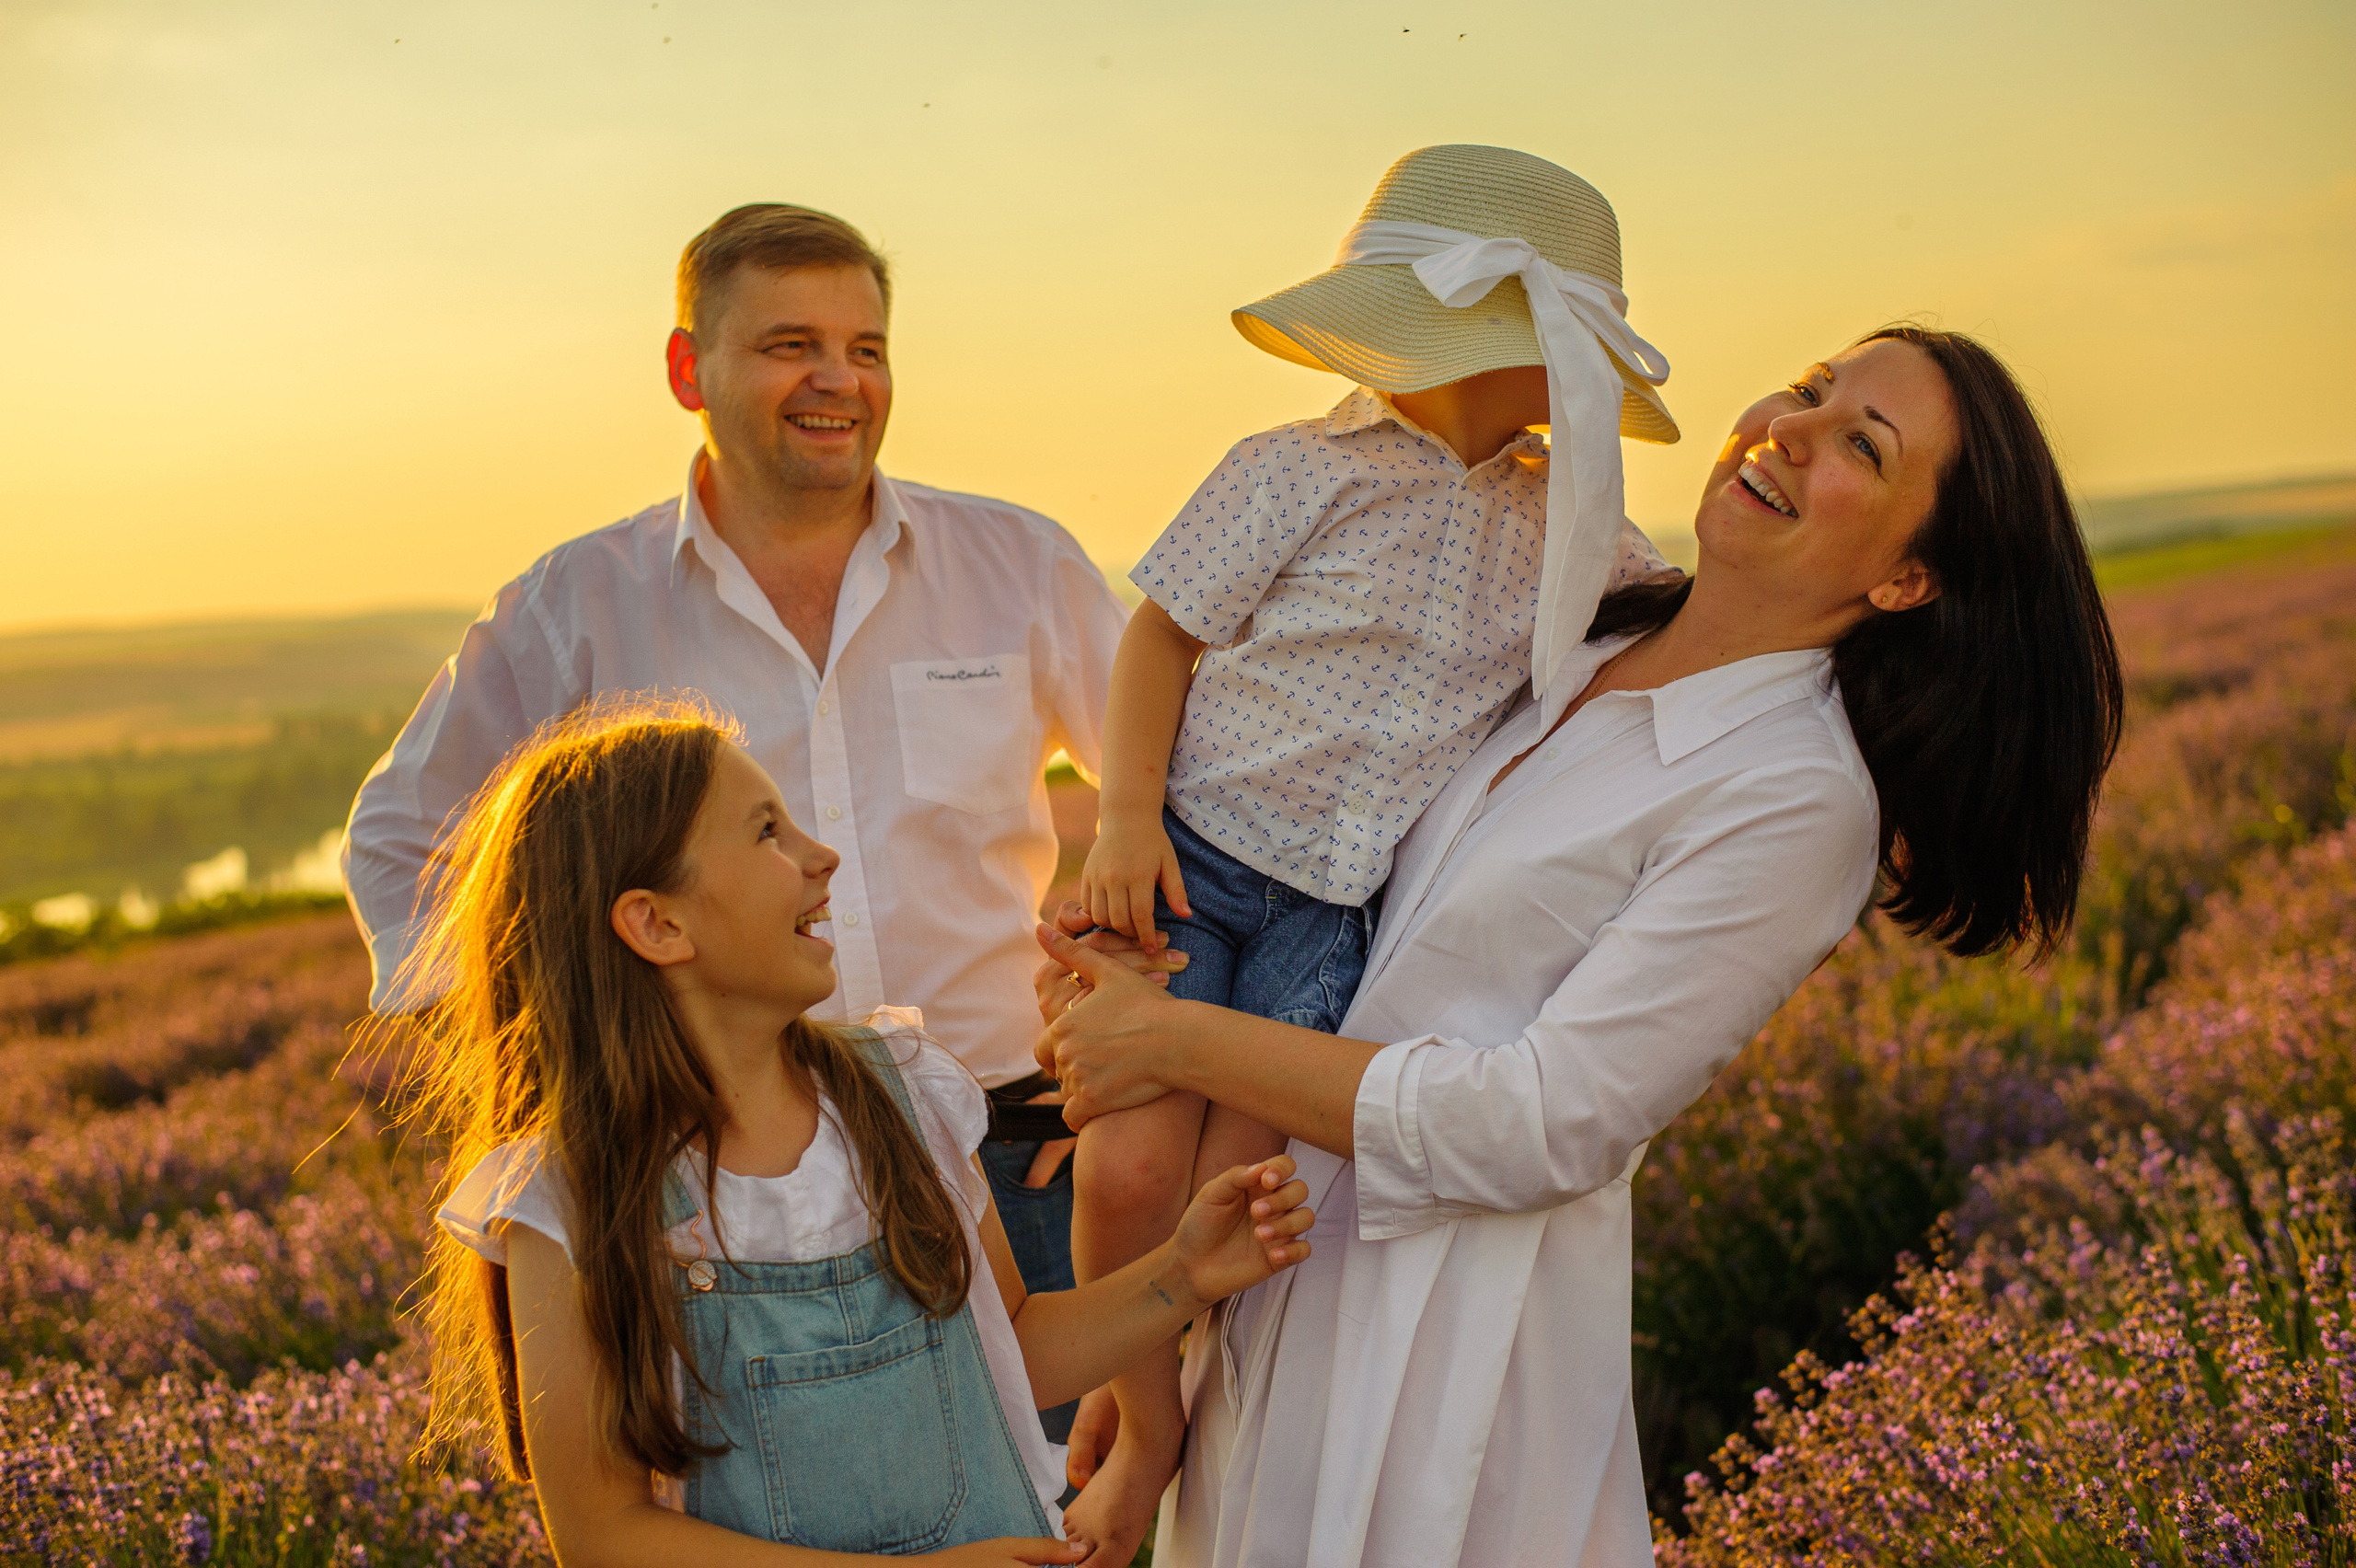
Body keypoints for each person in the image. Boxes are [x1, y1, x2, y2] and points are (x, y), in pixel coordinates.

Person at [1035, 325, 2124, 1566]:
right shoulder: (1573, 635)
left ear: (1909, 580)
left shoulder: (1797, 796)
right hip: (1262, 1272)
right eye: (1814, 388)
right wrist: (1132, 968)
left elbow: (1544, 1124)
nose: (1792, 426)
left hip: (1441, 1344)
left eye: (1860, 449)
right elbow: (1331, 876)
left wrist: (1171, 1038)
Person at [341, 203, 1126, 1416]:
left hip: (1013, 1156)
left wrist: (1138, 1042)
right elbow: (403, 841)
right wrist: (567, 1060)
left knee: (1057, 1525)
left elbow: (1180, 798)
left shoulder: (1018, 564)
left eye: (867, 349)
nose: (839, 382)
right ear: (685, 369)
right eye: (789, 346)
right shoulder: (580, 604)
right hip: (720, 1193)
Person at [1062, 144, 1680, 1548]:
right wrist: (1118, 820)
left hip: (1336, 913)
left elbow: (1669, 625)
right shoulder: (1295, 469)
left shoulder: (1566, 524)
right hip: (1197, 867)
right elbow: (1160, 633)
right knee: (1124, 1175)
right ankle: (1145, 1433)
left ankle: (1184, 1426)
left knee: (1240, 1201)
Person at [404, 698, 1315, 1563]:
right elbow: (603, 1537)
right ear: (657, 923)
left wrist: (1183, 1273)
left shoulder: (904, 1094)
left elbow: (1016, 1352)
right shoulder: (566, 1198)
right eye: (767, 831)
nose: (821, 855)